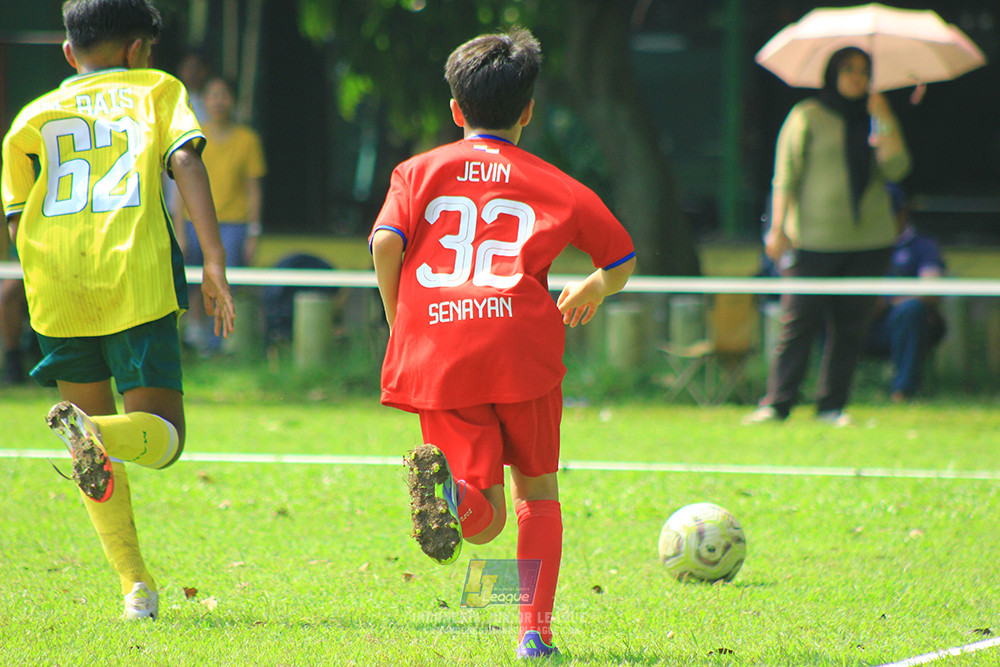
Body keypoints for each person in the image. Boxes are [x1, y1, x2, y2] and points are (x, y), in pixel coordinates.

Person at [369, 26, 635, 659]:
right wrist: (593, 289)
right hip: (523, 350)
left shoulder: (417, 170)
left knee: (480, 521)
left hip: (440, 352)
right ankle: (532, 632)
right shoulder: (555, 182)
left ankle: (456, 499)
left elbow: (385, 243)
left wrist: (399, 316)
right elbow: (621, 255)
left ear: (456, 111)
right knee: (536, 492)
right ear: (528, 111)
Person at [1, 0, 235, 620]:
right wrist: (214, 260)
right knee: (164, 437)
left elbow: (17, 215)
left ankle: (136, 587)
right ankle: (95, 435)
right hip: (132, 270)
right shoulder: (155, 88)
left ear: (69, 53)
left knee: (89, 444)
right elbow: (184, 158)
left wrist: (47, 272)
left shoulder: (33, 116)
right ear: (138, 51)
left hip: (57, 281)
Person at [744, 46, 910, 426]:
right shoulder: (807, 115)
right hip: (812, 240)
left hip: (870, 240)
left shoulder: (877, 117)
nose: (857, 76)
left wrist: (883, 119)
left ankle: (832, 406)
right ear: (832, 73)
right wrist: (778, 226)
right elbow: (784, 176)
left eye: (864, 70)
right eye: (848, 69)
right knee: (797, 321)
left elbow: (898, 169)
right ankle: (778, 402)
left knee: (850, 327)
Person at [175, 75, 266, 356]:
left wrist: (253, 231)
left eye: (224, 95)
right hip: (195, 222)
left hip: (234, 225)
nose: (218, 101)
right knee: (192, 280)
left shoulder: (247, 140)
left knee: (226, 282)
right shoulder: (193, 134)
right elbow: (180, 187)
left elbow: (254, 190)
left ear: (233, 101)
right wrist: (179, 228)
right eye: (212, 95)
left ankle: (222, 343)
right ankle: (194, 337)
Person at [866, 185, 945, 402]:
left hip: (907, 323)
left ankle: (903, 391)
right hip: (865, 323)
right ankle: (825, 392)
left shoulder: (923, 245)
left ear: (903, 211)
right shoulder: (863, 247)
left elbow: (932, 289)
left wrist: (889, 302)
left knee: (911, 310)